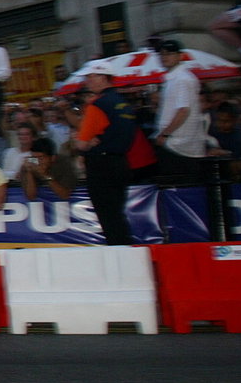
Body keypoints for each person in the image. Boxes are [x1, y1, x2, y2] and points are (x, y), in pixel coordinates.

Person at [75, 69, 139, 245]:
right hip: (121, 161)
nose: (87, 81)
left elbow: (81, 143)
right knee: (117, 213)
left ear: (102, 77)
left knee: (108, 217)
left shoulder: (98, 105)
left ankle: (119, 253)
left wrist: (88, 142)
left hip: (101, 164)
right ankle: (125, 249)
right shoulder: (123, 103)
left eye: (90, 77)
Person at [152, 39, 208, 183]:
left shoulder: (182, 79)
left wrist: (165, 133)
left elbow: (183, 110)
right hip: (174, 144)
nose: (165, 57)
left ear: (180, 56)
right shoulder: (172, 79)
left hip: (180, 146)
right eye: (162, 54)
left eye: (169, 53)